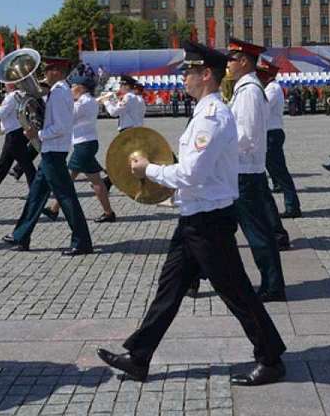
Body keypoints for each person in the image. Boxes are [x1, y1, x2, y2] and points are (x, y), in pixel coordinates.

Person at [95, 41, 287, 386]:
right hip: (196, 216)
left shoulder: (212, 116)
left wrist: (147, 169)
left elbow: (190, 173)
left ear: (206, 75)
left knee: (236, 292)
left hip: (209, 220)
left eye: (190, 72)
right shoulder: (203, 112)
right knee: (169, 289)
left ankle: (270, 357)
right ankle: (139, 357)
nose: (184, 78)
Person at [3, 57, 93, 254]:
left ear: (57, 71)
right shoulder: (56, 92)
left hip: (54, 150)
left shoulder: (60, 93)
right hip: (49, 150)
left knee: (66, 197)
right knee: (35, 196)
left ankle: (82, 241)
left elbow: (61, 127)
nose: (44, 73)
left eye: (47, 69)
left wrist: (38, 134)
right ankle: (21, 235)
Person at [225, 38, 287, 301]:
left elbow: (246, 136)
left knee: (257, 232)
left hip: (244, 172)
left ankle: (273, 285)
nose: (227, 63)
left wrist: (218, 149)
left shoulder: (249, 91)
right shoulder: (244, 88)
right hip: (239, 170)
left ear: (243, 61)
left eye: (231, 58)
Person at [44, 64, 117, 223]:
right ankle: (108, 212)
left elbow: (68, 118)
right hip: (85, 143)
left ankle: (54, 208)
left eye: (74, 86)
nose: (71, 89)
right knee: (95, 180)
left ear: (81, 88)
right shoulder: (88, 100)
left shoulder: (83, 103)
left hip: (84, 144)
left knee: (68, 179)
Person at [259, 59, 302, 219]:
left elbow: (262, 108)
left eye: (261, 74)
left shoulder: (272, 89)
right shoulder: (269, 87)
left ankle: (292, 206)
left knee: (280, 173)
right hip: (268, 133)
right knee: (274, 172)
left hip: (272, 134)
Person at [0, 82, 36, 198]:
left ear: (11, 85)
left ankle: (36, 191)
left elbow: (0, 114)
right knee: (4, 163)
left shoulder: (11, 97)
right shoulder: (21, 94)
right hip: (16, 131)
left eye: (5, 83)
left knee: (26, 165)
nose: (4, 85)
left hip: (14, 134)